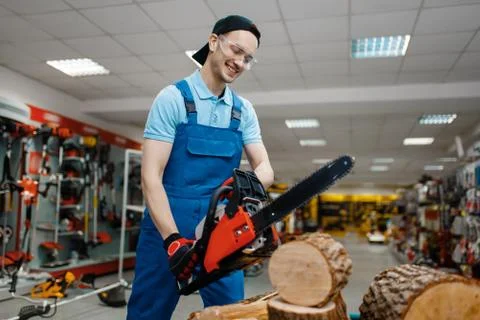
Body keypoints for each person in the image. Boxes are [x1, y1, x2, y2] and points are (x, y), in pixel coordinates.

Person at [126, 15, 274, 319]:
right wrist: (172, 241)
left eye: (248, 58)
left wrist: (241, 192)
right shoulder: (173, 98)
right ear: (213, 42)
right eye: (236, 50)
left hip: (222, 227)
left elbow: (265, 168)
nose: (240, 62)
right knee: (148, 313)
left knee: (231, 313)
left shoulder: (243, 110)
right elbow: (150, 178)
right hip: (167, 224)